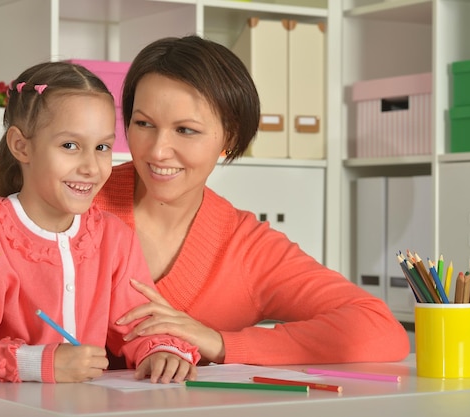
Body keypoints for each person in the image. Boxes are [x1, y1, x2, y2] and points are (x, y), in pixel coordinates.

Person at [94, 35, 410, 366]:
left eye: (186, 130)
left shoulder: (245, 247)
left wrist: (220, 343)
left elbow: (378, 329)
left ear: (228, 137)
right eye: (144, 124)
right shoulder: (78, 201)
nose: (157, 150)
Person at [0, 61, 199, 384]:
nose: (91, 166)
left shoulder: (114, 238)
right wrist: (39, 363)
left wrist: (160, 352)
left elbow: (140, 326)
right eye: (70, 146)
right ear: (21, 145)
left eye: (102, 147)